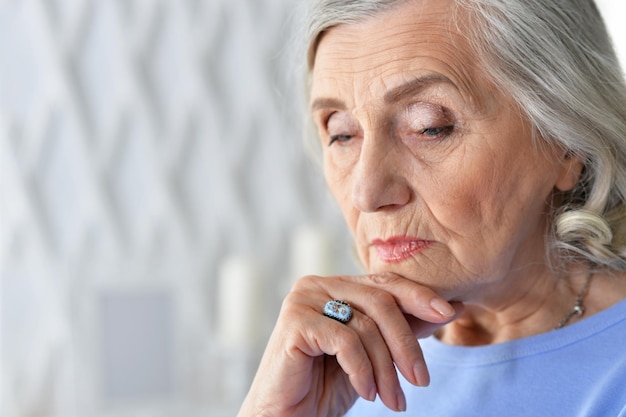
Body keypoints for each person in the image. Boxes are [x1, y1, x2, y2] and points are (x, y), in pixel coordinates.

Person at [238, 0, 626, 415]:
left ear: (567, 144)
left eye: (429, 126)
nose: (366, 194)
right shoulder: (329, 375)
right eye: (342, 134)